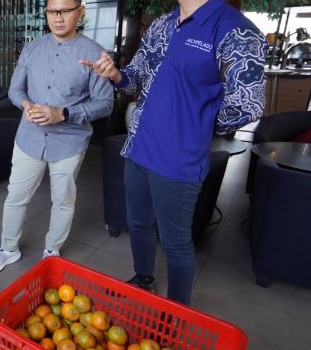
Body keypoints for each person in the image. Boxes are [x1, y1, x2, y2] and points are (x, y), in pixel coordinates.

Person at [80, 0, 267, 304]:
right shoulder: (161, 25)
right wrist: (115, 75)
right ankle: (143, 279)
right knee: (137, 223)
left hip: (179, 159)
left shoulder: (237, 31)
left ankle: (177, 311)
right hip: (138, 147)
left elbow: (248, 104)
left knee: (175, 241)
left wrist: (195, 127)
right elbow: (135, 78)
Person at [0, 0, 113, 273]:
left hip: (69, 140)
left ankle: (52, 250)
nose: (58, 18)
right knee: (15, 195)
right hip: (29, 137)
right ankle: (8, 249)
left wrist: (64, 113)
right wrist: (26, 105)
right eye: (52, 12)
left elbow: (105, 104)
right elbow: (15, 89)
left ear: (80, 12)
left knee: (63, 200)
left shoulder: (94, 53)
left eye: (65, 11)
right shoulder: (32, 48)